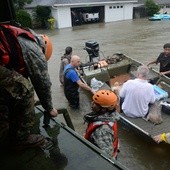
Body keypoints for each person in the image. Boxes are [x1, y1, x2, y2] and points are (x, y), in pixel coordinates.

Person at [0, 23, 58, 149]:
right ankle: (20, 138)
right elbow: (42, 82)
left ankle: (4, 121)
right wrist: (49, 108)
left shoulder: (20, 37)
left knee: (9, 87)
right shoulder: (35, 49)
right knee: (25, 89)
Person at [84, 90, 119, 158]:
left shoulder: (102, 130)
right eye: (93, 101)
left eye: (95, 103)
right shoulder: (111, 115)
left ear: (104, 109)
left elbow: (107, 154)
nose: (92, 103)